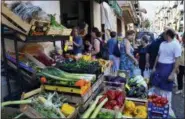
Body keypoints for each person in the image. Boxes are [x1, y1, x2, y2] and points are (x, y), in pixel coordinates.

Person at [151, 29, 181, 118]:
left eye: (164, 34)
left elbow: (177, 60)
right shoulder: (162, 44)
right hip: (159, 68)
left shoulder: (176, 45)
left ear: (168, 35)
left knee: (166, 90)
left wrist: (172, 73)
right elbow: (158, 56)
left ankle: (168, 111)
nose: (163, 35)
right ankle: (157, 108)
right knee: (157, 87)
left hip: (168, 68)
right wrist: (154, 67)